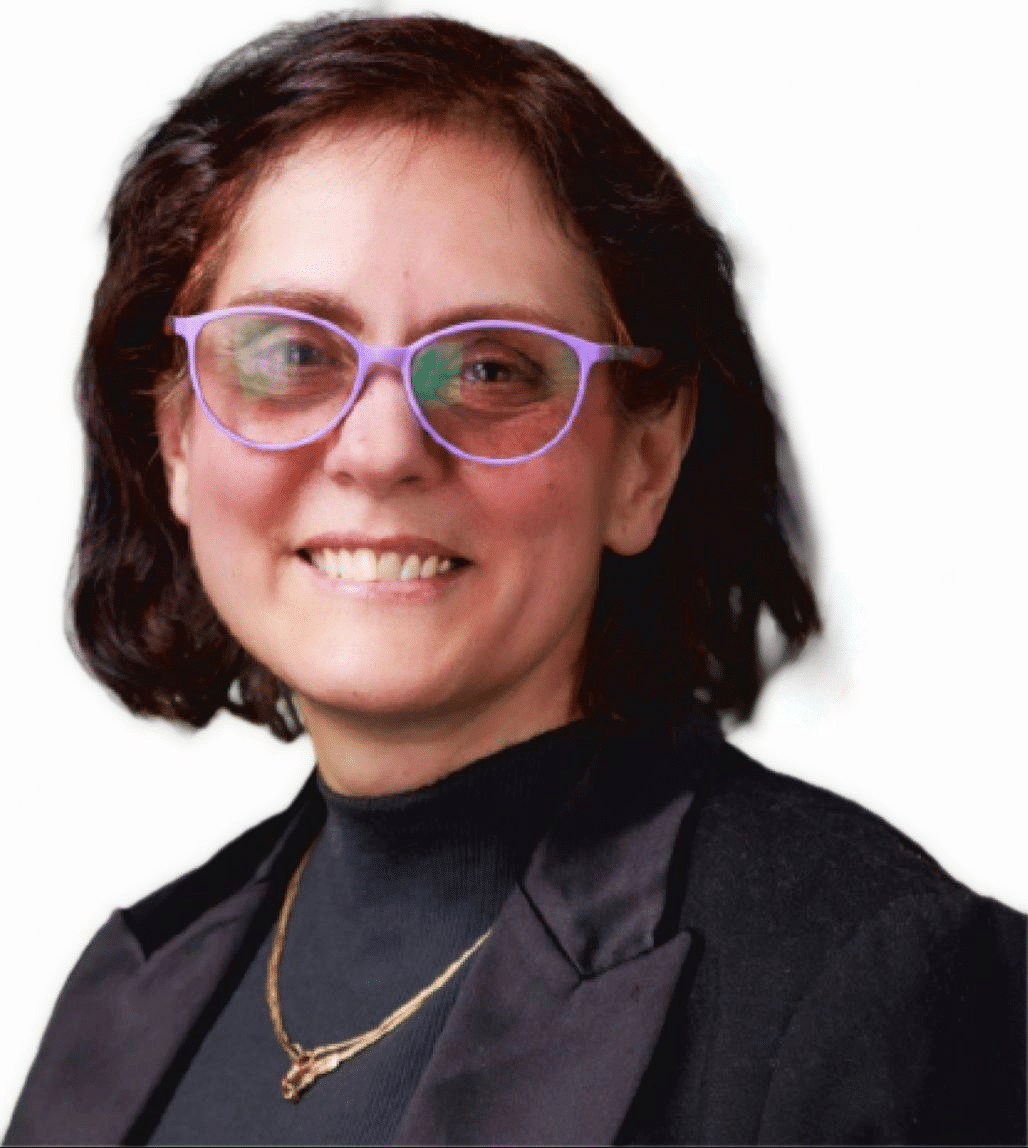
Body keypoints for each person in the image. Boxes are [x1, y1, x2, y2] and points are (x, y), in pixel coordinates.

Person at [4, 12, 1024, 1146]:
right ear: (176, 438)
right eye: (292, 353)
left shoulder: (887, 986)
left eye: (492, 366)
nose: (382, 448)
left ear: (645, 458)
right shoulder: (125, 989)